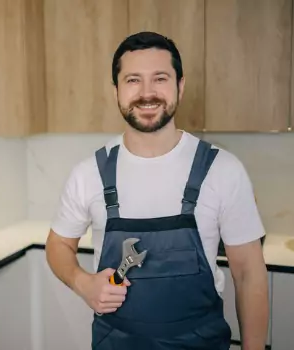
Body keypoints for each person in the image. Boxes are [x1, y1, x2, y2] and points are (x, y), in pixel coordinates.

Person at [45, 31, 269, 349]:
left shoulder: (223, 170)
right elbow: (57, 246)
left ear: (180, 85)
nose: (147, 93)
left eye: (160, 78)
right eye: (133, 80)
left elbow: (248, 273)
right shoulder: (89, 173)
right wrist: (83, 283)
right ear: (116, 91)